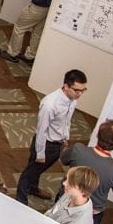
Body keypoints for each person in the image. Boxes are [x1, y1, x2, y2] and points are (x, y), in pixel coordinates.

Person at [15, 69, 88, 205]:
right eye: (77, 90)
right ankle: (20, 200)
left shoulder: (72, 100)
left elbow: (66, 121)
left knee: (38, 170)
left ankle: (33, 188)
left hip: (58, 143)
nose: (80, 94)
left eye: (83, 90)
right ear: (66, 86)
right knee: (30, 172)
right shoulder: (50, 104)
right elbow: (42, 130)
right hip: (46, 144)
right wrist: (40, 153)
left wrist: (65, 137)